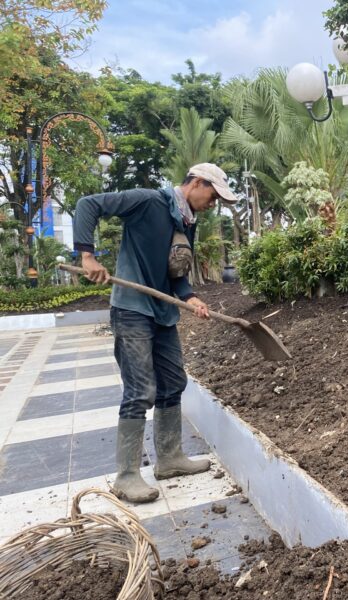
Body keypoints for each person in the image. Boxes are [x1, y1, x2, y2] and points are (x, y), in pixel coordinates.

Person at [73, 163, 238, 503]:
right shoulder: (148, 201)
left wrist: (190, 297)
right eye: (213, 195)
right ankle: (128, 475)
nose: (213, 203)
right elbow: (88, 204)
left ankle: (169, 458)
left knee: (173, 382)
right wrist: (86, 255)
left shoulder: (185, 223)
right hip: (132, 308)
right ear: (196, 183)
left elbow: (175, 273)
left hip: (162, 313)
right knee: (140, 390)